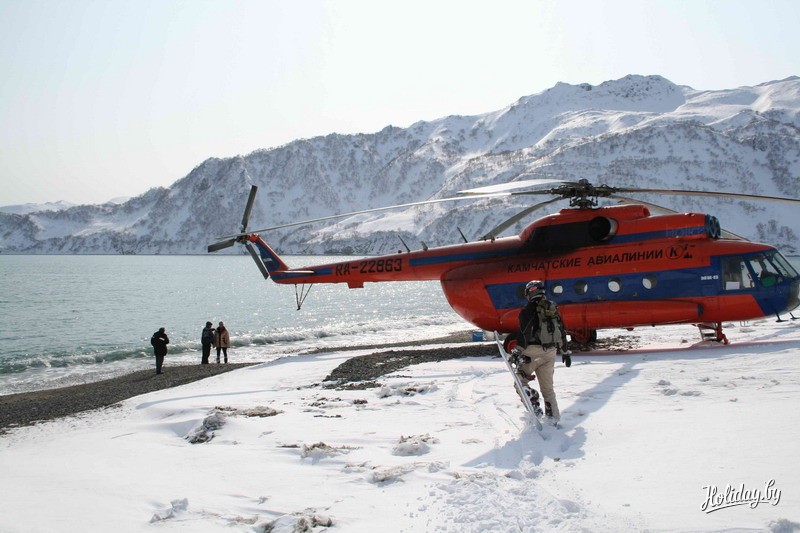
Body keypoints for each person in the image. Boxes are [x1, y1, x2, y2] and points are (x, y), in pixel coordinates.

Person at [511, 280, 569, 425]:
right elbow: (561, 330)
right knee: (548, 390)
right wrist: (565, 351)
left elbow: (524, 332)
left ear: (530, 292)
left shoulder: (528, 309)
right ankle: (553, 420)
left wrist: (518, 352)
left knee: (520, 382)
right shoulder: (552, 307)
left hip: (532, 353)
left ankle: (532, 399)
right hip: (550, 352)